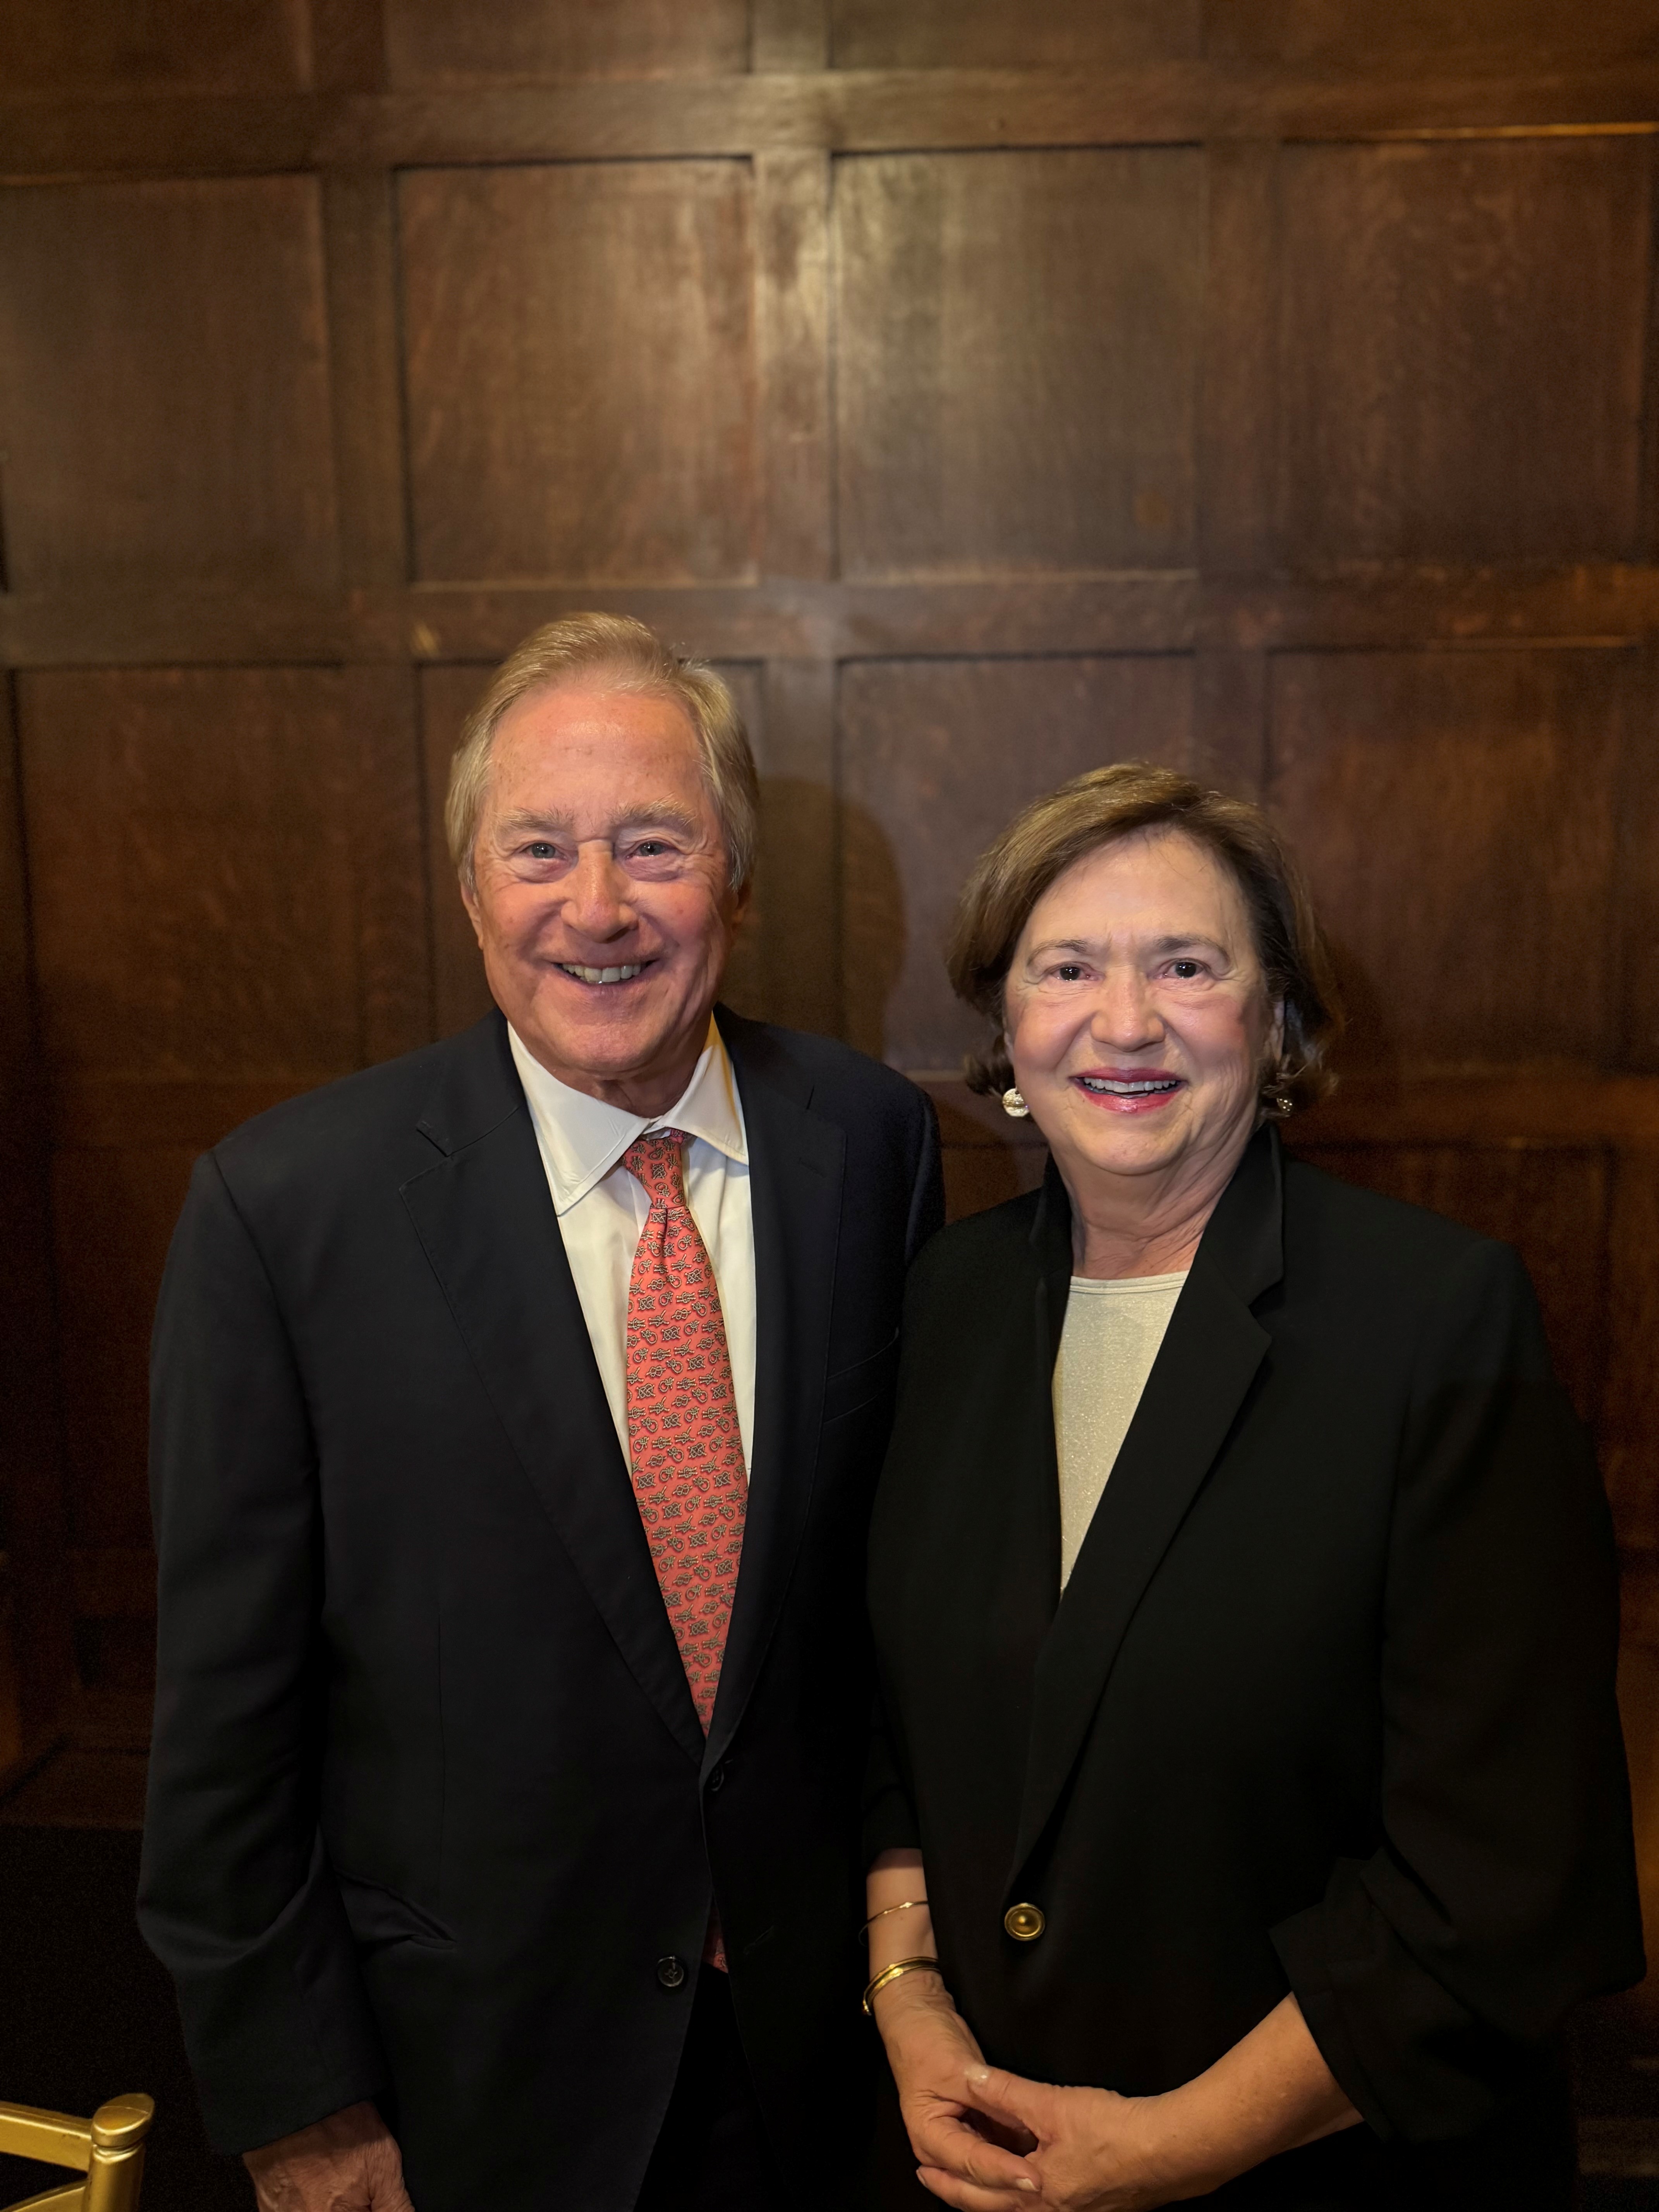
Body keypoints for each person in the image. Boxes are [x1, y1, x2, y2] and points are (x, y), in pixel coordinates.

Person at [139, 613, 943, 2212]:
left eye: (655, 844)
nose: (597, 907)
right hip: (465, 2090)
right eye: (539, 851)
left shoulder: (869, 1143)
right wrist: (300, 2108)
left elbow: (891, 1605)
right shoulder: (285, 1212)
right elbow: (227, 1723)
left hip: (815, 2073)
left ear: (737, 881)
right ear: (469, 891)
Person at [862, 763, 1643, 2210]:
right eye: (1068, 967)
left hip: (1318, 2177)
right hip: (975, 2161)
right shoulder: (946, 1306)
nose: (1124, 1019)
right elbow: (889, 1728)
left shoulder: (1436, 1321)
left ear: (1274, 1019)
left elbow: (1503, 1878)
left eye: (1185, 965)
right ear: (1005, 1027)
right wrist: (909, 2003)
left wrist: (1171, 2148)